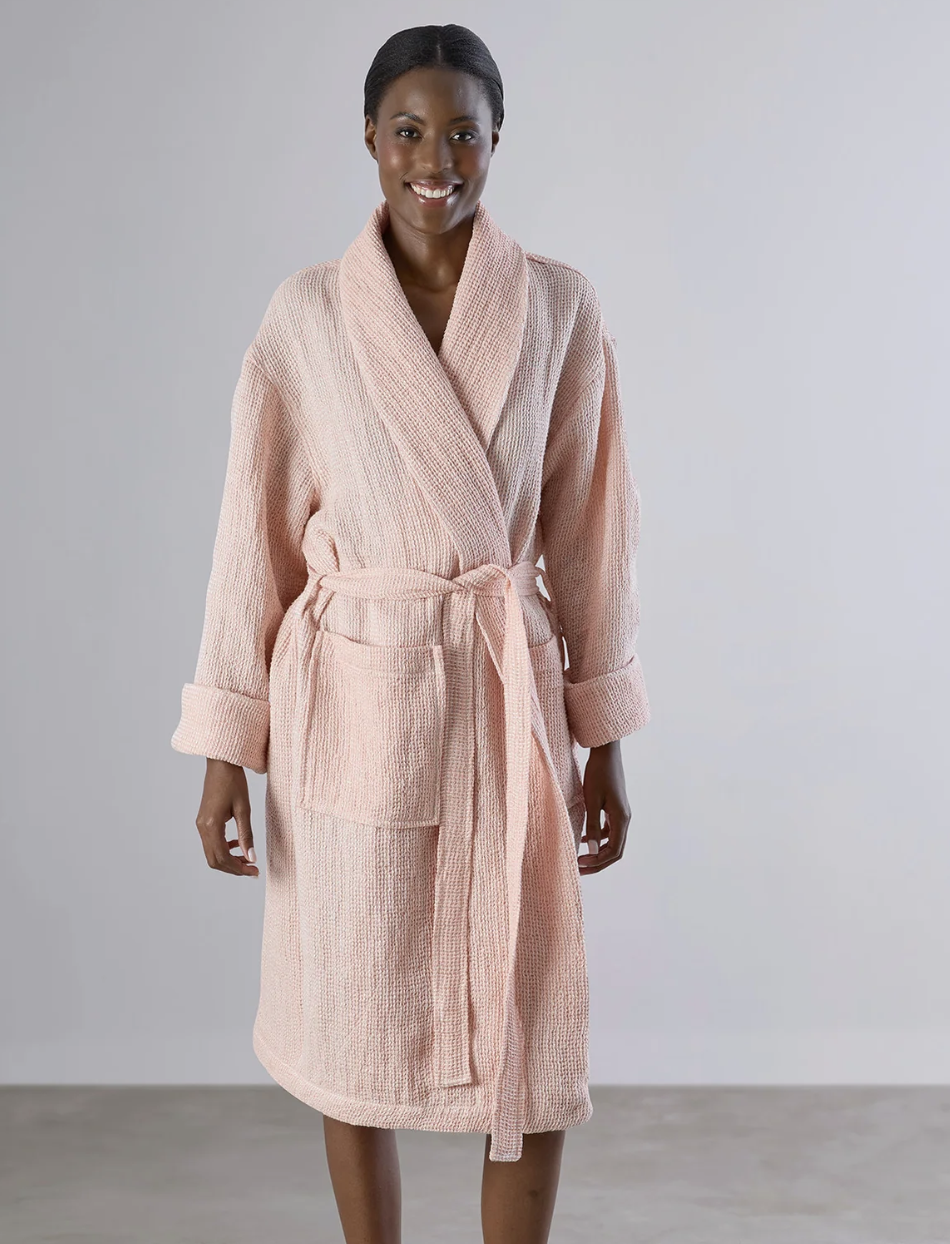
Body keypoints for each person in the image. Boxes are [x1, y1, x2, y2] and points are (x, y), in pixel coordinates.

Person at [171, 23, 651, 1244]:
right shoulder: (307, 316)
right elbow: (252, 540)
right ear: (368, 139)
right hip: (354, 707)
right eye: (407, 131)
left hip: (504, 704)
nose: (434, 159)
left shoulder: (557, 305)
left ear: (496, 141)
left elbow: (589, 537)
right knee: (355, 1017)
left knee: (529, 1021)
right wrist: (226, 747)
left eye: (461, 134)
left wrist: (602, 737)